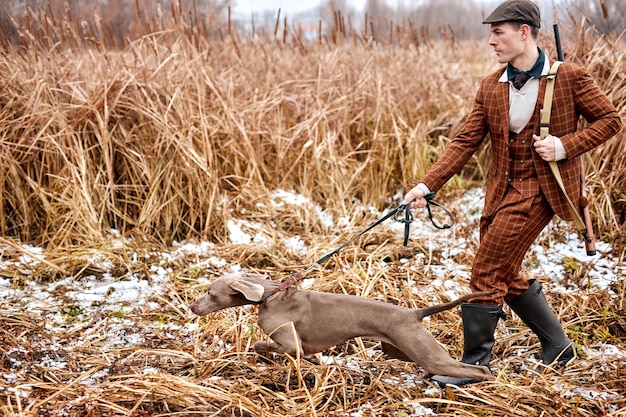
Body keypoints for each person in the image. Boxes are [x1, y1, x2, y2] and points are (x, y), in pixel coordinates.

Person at [402, 0, 622, 386]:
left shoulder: (569, 77)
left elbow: (610, 120)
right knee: (505, 269)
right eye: (491, 33)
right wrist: (426, 185)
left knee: (486, 270)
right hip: (501, 190)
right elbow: (465, 141)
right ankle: (558, 345)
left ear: (524, 32)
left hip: (543, 190)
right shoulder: (491, 85)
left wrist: (565, 145)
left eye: (498, 32)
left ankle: (473, 369)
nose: (491, 41)